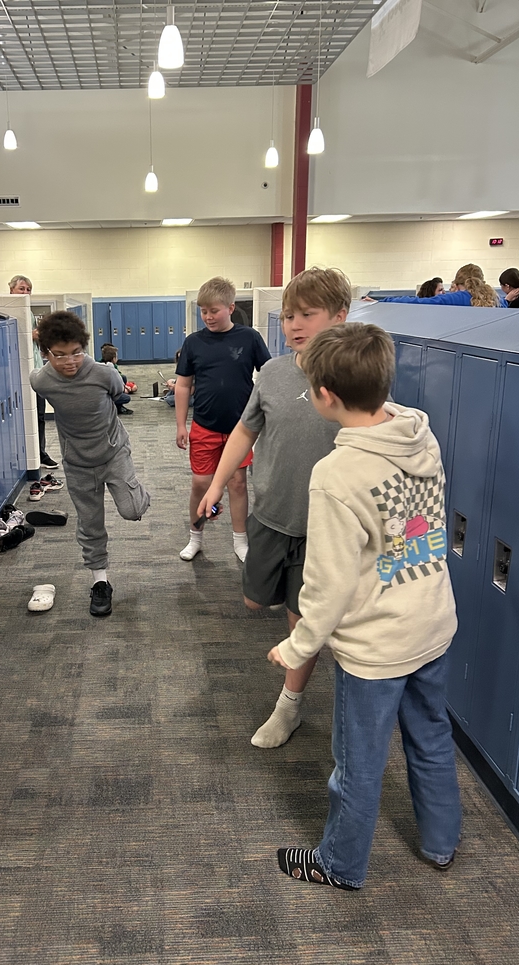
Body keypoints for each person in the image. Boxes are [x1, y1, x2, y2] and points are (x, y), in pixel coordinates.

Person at [268, 321, 461, 891]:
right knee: (431, 735)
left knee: (358, 763)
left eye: (310, 391)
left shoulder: (336, 474)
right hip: (432, 621)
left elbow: (326, 587)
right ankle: (441, 842)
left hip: (376, 646)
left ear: (327, 396)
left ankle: (340, 864)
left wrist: (296, 646)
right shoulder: (418, 436)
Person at [198, 267, 350, 747]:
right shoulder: (277, 372)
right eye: (287, 316)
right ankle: (307, 634)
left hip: (321, 524)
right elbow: (246, 429)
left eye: (308, 314)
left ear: (340, 317)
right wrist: (217, 485)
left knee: (298, 617)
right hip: (270, 513)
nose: (294, 325)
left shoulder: (355, 377)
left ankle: (289, 706)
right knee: (254, 600)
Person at [31, 310, 150, 617]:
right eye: (60, 355)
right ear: (46, 353)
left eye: (76, 353)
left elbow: (118, 393)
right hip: (78, 463)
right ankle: (100, 582)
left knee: (132, 510)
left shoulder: (102, 373)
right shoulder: (41, 381)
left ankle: (137, 493)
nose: (70, 361)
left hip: (113, 453)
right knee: (90, 524)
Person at [175, 276, 271, 563]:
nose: (208, 317)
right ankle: (195, 537)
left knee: (237, 484)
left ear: (230, 307)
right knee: (200, 485)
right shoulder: (194, 342)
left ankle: (240, 540)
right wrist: (181, 424)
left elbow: (267, 376)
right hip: (204, 425)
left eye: (214, 311)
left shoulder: (249, 337)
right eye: (203, 311)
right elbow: (182, 385)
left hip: (240, 428)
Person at [9, 274, 59, 472]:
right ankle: (30, 455)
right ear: (11, 289)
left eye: (28, 289)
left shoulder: (27, 312)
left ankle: (41, 453)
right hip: (20, 375)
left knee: (39, 415)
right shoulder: (11, 311)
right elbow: (18, 336)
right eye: (21, 288)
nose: (25, 292)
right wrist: (36, 334)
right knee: (26, 418)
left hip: (36, 372)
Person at [374, 264, 498, 307]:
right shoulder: (497, 301)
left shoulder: (458, 298)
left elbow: (418, 302)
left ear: (458, 284)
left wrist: (382, 301)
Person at [99, 343, 134, 415]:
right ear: (113, 359)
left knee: (123, 378)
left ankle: (117, 406)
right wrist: (124, 388)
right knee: (126, 398)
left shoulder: (100, 365)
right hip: (106, 395)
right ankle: (116, 407)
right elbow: (117, 384)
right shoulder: (111, 370)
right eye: (116, 357)